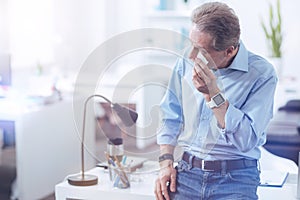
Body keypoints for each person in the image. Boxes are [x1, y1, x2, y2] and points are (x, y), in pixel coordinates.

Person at [154, 2, 278, 200]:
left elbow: (246, 141)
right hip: (187, 174)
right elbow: (170, 116)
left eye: (201, 50)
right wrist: (165, 163)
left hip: (236, 179)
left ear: (229, 51)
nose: (191, 55)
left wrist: (213, 94)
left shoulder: (261, 74)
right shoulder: (185, 62)